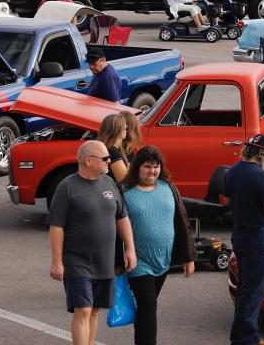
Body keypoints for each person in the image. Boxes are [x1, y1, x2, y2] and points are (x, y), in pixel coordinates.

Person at [49, 140, 136, 345]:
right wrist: (56, 261)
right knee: (83, 309)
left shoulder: (109, 184)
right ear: (88, 160)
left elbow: (122, 217)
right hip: (76, 261)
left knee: (95, 310)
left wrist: (130, 249)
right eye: (105, 158)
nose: (109, 162)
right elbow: (56, 226)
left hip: (104, 261)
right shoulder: (67, 187)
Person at [122, 146, 196, 345]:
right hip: (138, 261)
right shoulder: (125, 192)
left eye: (156, 167)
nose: (152, 171)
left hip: (163, 260)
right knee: (148, 305)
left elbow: (182, 222)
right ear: (137, 167)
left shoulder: (168, 187)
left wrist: (188, 257)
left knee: (147, 307)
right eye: (147, 166)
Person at [225, 134, 264, 345]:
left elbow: (229, 197)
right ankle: (244, 339)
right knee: (253, 292)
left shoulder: (232, 171)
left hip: (240, 236)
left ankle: (249, 336)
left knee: (245, 289)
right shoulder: (261, 176)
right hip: (258, 240)